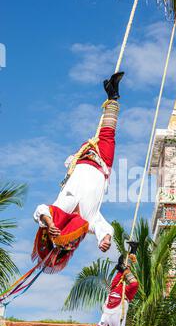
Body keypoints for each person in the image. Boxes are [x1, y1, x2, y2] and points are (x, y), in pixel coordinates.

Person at [33, 72, 124, 257]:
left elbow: (40, 210)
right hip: (102, 164)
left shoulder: (59, 211)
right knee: (108, 133)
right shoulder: (89, 221)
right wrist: (105, 240)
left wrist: (50, 225)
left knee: (104, 133)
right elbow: (104, 228)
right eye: (72, 242)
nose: (72, 238)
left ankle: (112, 94)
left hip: (83, 158)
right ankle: (113, 95)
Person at [68, 243, 139, 326]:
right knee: (134, 283)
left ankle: (133, 249)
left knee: (124, 269)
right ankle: (123, 267)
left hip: (113, 292)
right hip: (125, 296)